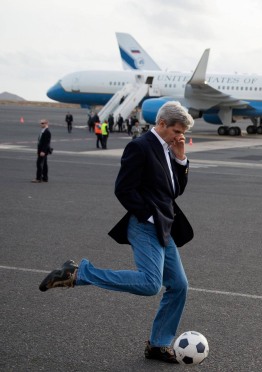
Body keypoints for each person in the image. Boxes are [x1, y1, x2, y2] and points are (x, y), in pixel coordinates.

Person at [39, 101, 195, 364]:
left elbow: (174, 190)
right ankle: (79, 273)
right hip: (146, 225)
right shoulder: (140, 146)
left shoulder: (168, 149)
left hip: (164, 226)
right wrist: (148, 215)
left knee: (179, 286)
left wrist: (181, 158)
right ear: (161, 124)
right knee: (149, 284)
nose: (179, 136)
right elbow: (124, 189)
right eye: (176, 131)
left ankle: (158, 344)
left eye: (182, 133)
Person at [32, 119, 51, 183]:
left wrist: (43, 151)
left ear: (46, 123)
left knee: (39, 164)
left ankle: (38, 178)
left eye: (42, 123)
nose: (41, 124)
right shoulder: (43, 131)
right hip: (41, 150)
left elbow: (46, 143)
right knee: (44, 164)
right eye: (40, 123)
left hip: (43, 151)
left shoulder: (47, 132)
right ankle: (45, 178)